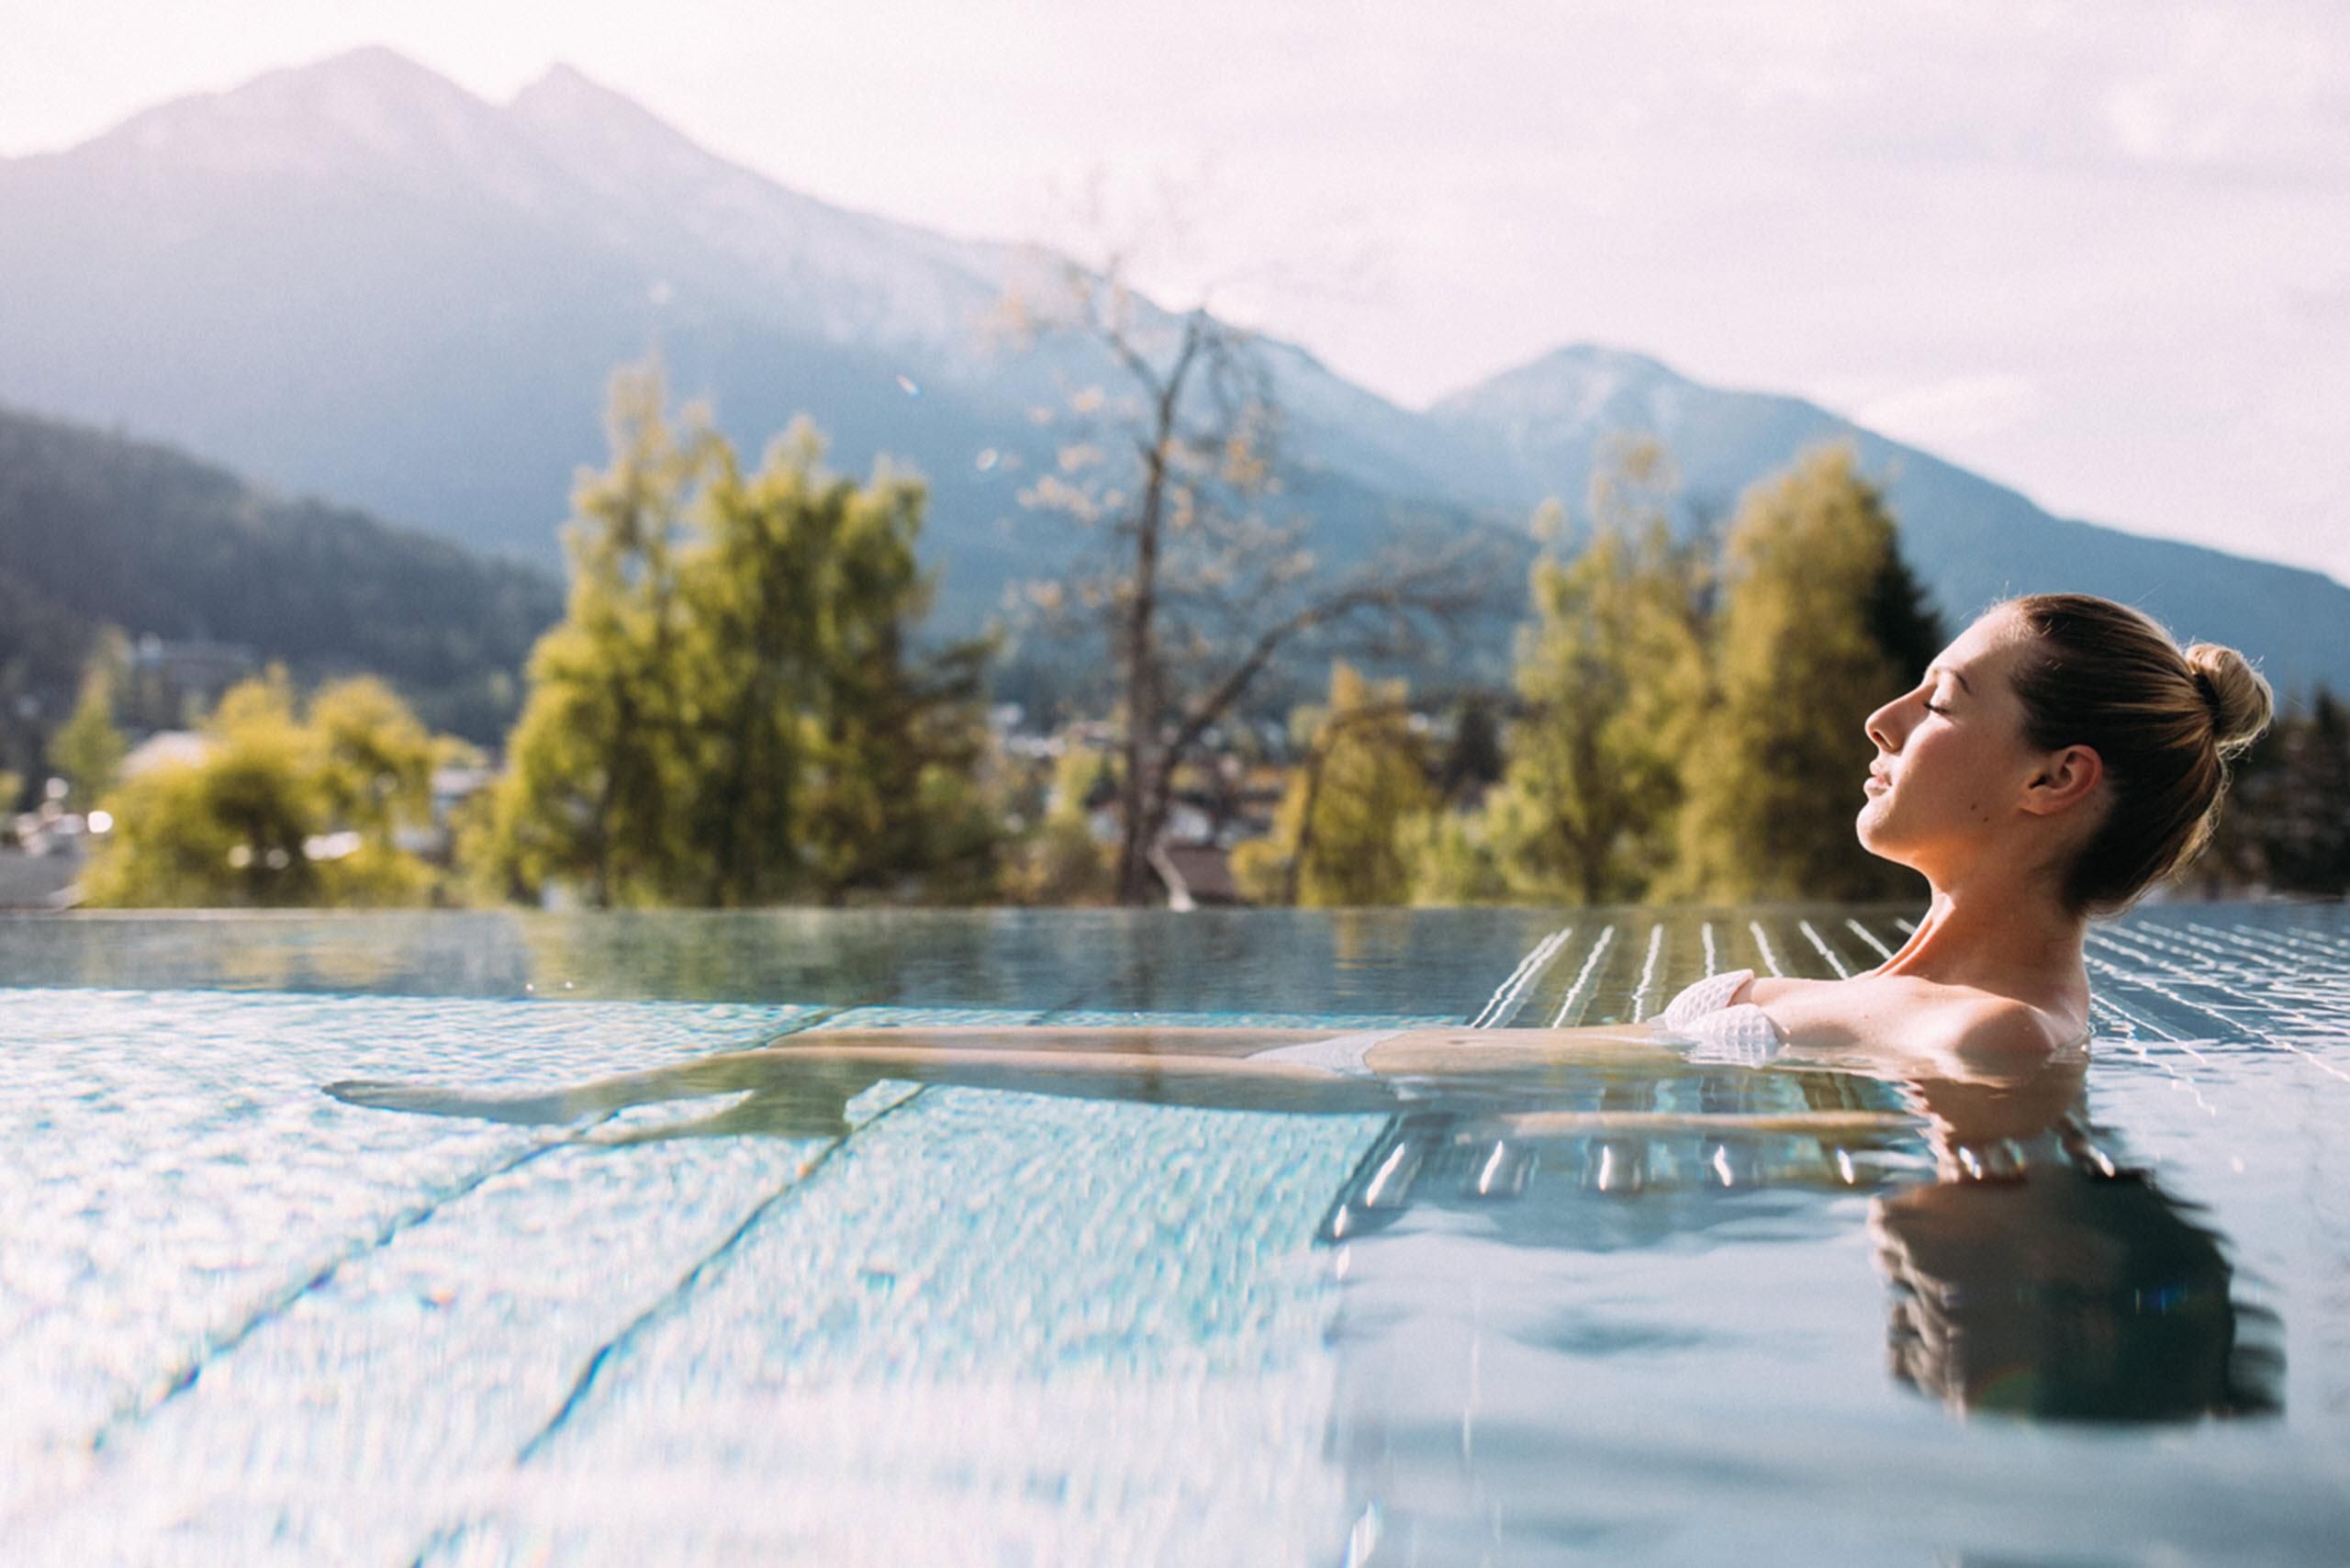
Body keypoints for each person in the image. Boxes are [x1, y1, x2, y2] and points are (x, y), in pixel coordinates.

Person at [330, 591, 2272, 1132]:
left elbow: (1991, 1107)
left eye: (1935, 701)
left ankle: (607, 1097)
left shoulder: (1998, 1034)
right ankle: (734, 1091)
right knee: (857, 1025)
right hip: (1388, 1075)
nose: (1878, 720)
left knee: (860, 1027)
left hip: (1363, 1085)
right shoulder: (1946, 988)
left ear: (2050, 780)